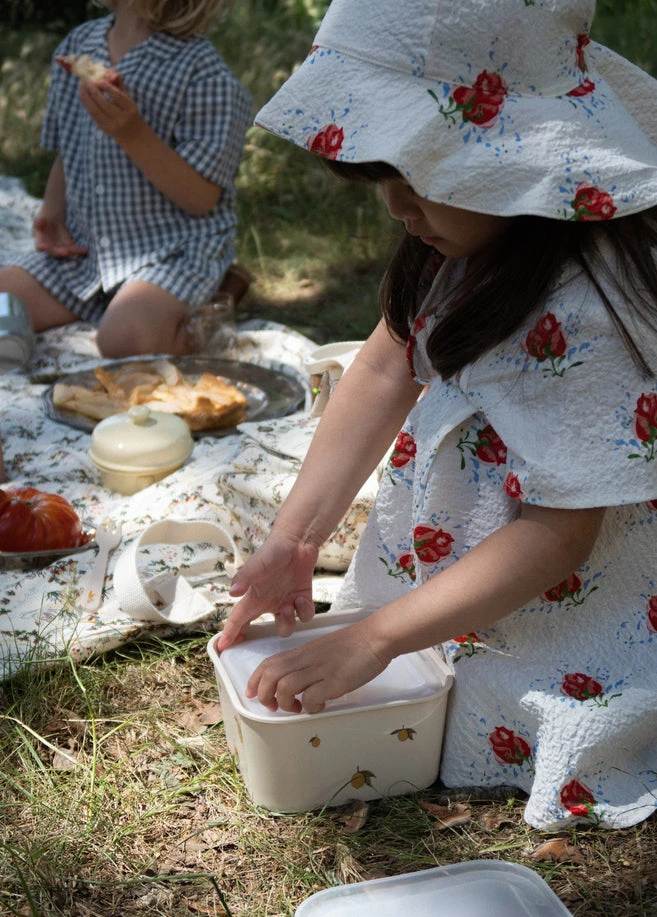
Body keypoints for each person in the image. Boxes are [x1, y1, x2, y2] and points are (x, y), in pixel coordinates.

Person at [216, 0, 657, 830]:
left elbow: (561, 532)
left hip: (561, 595)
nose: (394, 209)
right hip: (468, 562)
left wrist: (374, 639)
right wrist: (294, 540)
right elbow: (386, 363)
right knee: (412, 672)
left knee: (462, 716)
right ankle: (426, 623)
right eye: (385, 178)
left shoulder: (584, 310)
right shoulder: (458, 239)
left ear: (518, 155)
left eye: (417, 177)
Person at [0, 0, 252, 357]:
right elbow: (68, 146)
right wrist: (52, 215)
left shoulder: (204, 75)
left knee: (124, 342)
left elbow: (200, 199)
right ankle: (116, 305)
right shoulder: (78, 45)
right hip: (88, 255)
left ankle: (220, 295)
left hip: (173, 252)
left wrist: (132, 133)